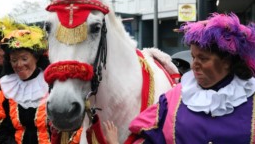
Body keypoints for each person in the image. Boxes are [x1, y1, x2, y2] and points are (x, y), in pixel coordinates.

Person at [103, 13, 255, 143]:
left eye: (203, 58)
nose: (194, 64)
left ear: (227, 61)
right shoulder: (172, 100)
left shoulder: (250, 98)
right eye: (193, 57)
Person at [0, 22, 51, 144]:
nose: (19, 65)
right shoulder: (6, 87)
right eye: (14, 60)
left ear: (36, 58)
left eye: (24, 58)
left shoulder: (52, 84)